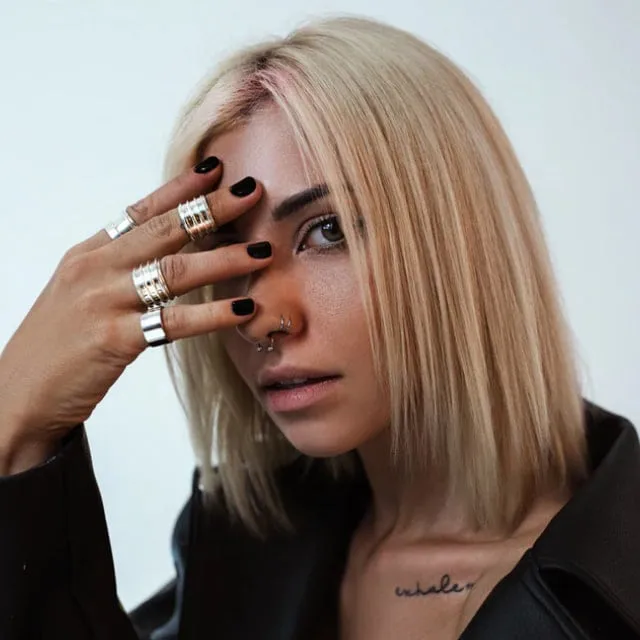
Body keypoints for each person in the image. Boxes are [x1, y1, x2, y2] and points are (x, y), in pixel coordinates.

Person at [0, 13, 638, 640]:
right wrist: (14, 424)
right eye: (227, 252)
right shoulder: (234, 557)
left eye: (327, 231)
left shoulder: (614, 589)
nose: (263, 319)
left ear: (463, 235)